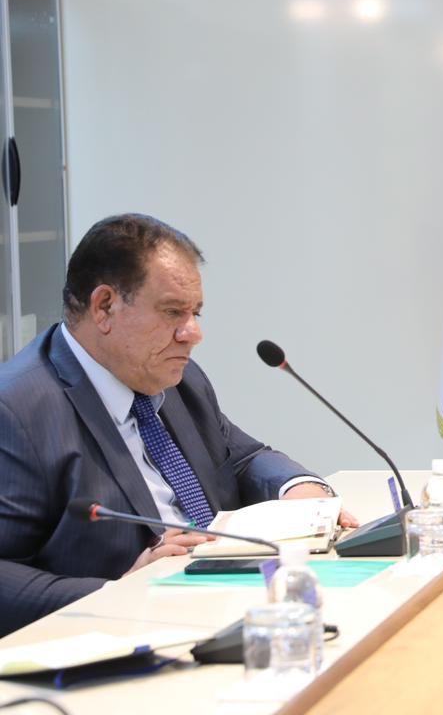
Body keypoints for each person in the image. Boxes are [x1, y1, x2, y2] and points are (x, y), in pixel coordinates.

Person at [0, 213, 354, 636]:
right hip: (123, 638)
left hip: (226, 607)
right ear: (104, 307)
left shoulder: (177, 378)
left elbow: (240, 457)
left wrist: (299, 489)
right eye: (173, 312)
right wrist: (119, 592)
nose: (193, 333)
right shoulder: (17, 409)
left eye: (195, 313)